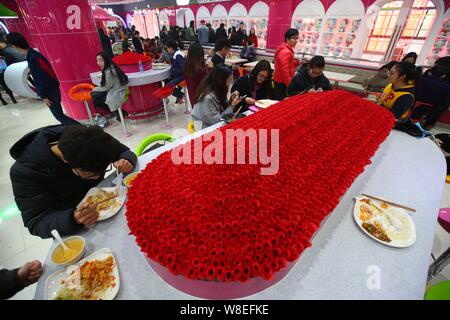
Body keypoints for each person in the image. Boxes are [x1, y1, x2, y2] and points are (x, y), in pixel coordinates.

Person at [10, 125, 137, 239]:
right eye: (91, 174)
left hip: (111, 207)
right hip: (75, 223)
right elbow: (36, 222)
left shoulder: (88, 137)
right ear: (65, 160)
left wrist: (126, 159)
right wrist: (72, 219)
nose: (98, 176)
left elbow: (122, 150)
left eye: (102, 170)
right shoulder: (25, 172)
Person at [6, 32, 79, 125]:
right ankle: (78, 130)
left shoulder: (33, 57)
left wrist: (43, 96)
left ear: (15, 46)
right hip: (51, 89)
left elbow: (42, 78)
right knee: (59, 114)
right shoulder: (32, 55)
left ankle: (82, 129)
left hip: (50, 91)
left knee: (59, 115)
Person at [191, 64, 244, 128]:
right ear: (220, 80)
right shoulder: (208, 98)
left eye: (232, 79)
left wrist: (230, 100)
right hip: (203, 127)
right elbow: (217, 121)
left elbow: (220, 106)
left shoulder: (217, 88)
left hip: (211, 121)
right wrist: (232, 106)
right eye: (229, 80)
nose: (231, 82)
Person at [91, 52, 129, 123]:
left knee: (95, 97)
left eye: (101, 61)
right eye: (97, 61)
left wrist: (94, 89)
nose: (99, 63)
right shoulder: (112, 66)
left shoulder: (108, 70)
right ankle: (118, 112)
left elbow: (107, 87)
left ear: (106, 60)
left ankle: (118, 112)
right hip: (117, 89)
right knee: (95, 97)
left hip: (117, 91)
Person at [273, 29, 299, 100]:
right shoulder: (286, 52)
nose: (296, 40)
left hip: (280, 80)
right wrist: (290, 85)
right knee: (282, 103)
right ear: (287, 39)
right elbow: (284, 71)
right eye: (294, 38)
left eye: (297, 38)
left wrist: (297, 62)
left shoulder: (285, 49)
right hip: (282, 82)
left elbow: (287, 64)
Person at [0, 37, 25, 105]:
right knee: (4, 83)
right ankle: (13, 99)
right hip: (3, 69)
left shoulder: (5, 50)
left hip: (3, 69)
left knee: (4, 82)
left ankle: (3, 100)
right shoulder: (9, 48)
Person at [184, 42, 208, 107]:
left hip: (193, 98)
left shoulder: (188, 66)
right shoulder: (199, 70)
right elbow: (207, 82)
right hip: (202, 99)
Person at [165, 40, 186, 104]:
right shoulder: (176, 53)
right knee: (166, 81)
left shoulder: (177, 55)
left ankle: (180, 95)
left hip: (182, 75)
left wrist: (173, 73)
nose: (167, 50)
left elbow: (183, 68)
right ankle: (179, 96)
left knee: (168, 86)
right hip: (179, 74)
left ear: (170, 48)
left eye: (167, 48)